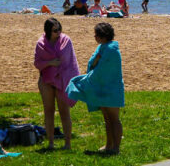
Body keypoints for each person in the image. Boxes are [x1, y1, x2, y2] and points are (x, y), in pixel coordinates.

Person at [67, 22, 124, 155]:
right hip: (102, 89)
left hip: (112, 89)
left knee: (114, 119)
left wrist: (92, 71)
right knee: (107, 119)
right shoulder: (102, 47)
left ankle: (116, 147)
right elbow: (93, 63)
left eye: (96, 34)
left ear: (103, 36)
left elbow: (102, 70)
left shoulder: (111, 50)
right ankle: (109, 144)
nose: (95, 36)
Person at [34, 17, 80, 150]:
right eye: (55, 30)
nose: (58, 32)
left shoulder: (66, 40)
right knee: (48, 111)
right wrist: (50, 63)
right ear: (48, 31)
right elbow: (37, 63)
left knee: (64, 111)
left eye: (59, 28)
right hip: (46, 80)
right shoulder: (41, 44)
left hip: (62, 79)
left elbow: (70, 61)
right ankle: (51, 143)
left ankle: (67, 143)